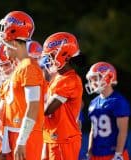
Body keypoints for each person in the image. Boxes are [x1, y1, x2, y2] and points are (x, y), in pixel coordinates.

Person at [0, 11, 45, 160]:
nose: (3, 47)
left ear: (14, 39)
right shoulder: (18, 69)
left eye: (5, 43)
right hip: (12, 134)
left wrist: (21, 141)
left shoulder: (29, 67)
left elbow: (33, 106)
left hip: (26, 136)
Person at [40, 32, 83, 160]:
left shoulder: (70, 80)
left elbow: (48, 109)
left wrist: (27, 107)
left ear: (63, 54)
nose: (49, 59)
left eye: (51, 55)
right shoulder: (58, 78)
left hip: (64, 140)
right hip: (52, 137)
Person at [85, 62, 131, 160]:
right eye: (91, 79)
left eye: (95, 78)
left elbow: (123, 131)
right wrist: (89, 150)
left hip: (112, 153)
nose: (92, 82)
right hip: (96, 153)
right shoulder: (93, 102)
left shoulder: (118, 101)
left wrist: (118, 154)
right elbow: (93, 130)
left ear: (108, 77)